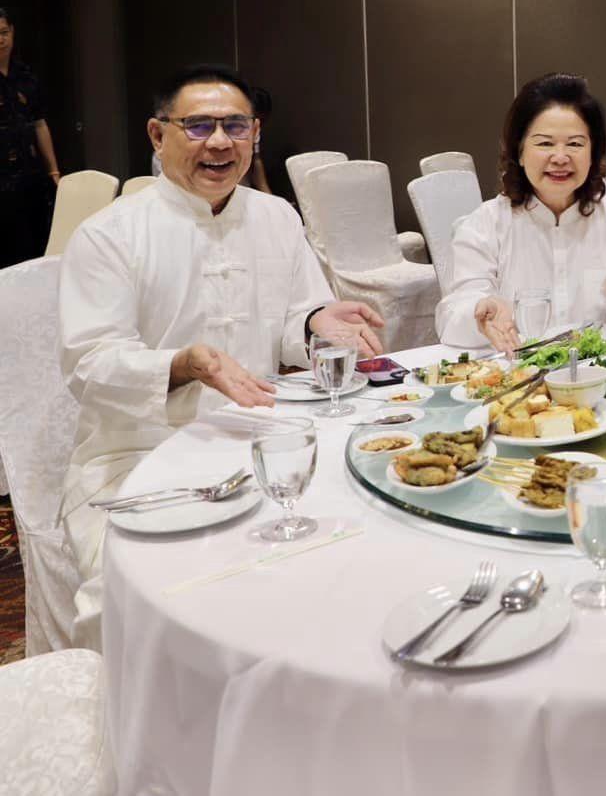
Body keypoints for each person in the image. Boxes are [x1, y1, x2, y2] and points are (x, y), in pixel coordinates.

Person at [58, 64, 385, 649]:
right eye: (198, 126)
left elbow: (297, 318)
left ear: (254, 133)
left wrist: (315, 321)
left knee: (358, 541)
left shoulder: (276, 216)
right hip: (138, 451)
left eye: (235, 126)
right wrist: (183, 364)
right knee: (138, 592)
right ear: (157, 135)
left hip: (261, 435)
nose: (218, 142)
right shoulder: (110, 234)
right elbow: (90, 364)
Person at [435, 72, 606, 351]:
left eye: (575, 144)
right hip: (517, 372)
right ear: (519, 152)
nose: (560, 157)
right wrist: (480, 310)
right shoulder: (485, 224)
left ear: (593, 154)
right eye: (545, 143)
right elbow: (451, 319)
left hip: (598, 371)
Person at [0, 7, 61, 266]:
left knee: (36, 247)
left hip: (30, 175)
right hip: (2, 179)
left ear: (12, 32)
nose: (0, 40)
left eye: (4, 32)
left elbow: (39, 124)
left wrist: (53, 171)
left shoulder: (25, 76)